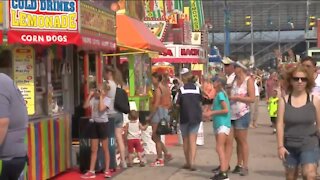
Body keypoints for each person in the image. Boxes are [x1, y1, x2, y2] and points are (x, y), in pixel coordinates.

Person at [277, 64, 320, 180]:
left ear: (308, 81)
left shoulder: (314, 100)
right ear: (290, 81)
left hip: (309, 143)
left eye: (303, 79)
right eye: (296, 79)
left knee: (309, 174)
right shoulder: (283, 101)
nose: (300, 82)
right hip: (289, 145)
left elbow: (319, 126)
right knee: (290, 177)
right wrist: (280, 146)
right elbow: (280, 125)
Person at [0, 51, 28, 180]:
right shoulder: (5, 81)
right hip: (14, 156)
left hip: (7, 158)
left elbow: (2, 122)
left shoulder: (1, 83)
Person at [229, 61, 255, 176]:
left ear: (241, 68)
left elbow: (252, 98)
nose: (234, 68)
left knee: (242, 140)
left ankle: (245, 166)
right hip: (232, 113)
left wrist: (238, 98)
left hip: (243, 113)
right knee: (236, 139)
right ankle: (238, 164)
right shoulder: (234, 80)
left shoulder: (248, 80)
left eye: (236, 67)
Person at [203, 75, 231, 180]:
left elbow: (226, 110)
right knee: (220, 148)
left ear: (219, 83)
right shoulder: (219, 94)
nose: (212, 83)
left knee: (219, 147)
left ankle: (224, 172)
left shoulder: (220, 95)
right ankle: (222, 170)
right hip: (219, 123)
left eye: (214, 81)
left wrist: (212, 112)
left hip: (222, 124)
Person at [81, 83, 112, 178]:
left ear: (104, 92)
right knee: (93, 149)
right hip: (94, 123)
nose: (97, 92)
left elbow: (101, 108)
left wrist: (102, 96)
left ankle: (107, 170)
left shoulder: (107, 100)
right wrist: (90, 95)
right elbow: (85, 106)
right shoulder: (94, 99)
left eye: (99, 90)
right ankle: (91, 170)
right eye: (97, 90)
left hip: (103, 124)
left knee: (105, 148)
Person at [176, 72, 202, 171]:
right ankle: (193, 162)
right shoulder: (197, 89)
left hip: (184, 116)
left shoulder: (181, 90)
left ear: (184, 79)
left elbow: (177, 104)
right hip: (196, 117)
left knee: (186, 140)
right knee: (193, 141)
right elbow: (200, 101)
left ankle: (187, 162)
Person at [104, 65, 127, 168]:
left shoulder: (108, 85)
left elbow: (106, 100)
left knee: (110, 139)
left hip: (110, 114)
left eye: (104, 73)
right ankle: (123, 161)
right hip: (119, 114)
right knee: (119, 138)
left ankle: (112, 161)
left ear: (108, 73)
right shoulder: (118, 84)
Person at [148, 72, 173, 167]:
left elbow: (156, 104)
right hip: (165, 112)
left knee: (155, 136)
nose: (151, 80)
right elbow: (170, 103)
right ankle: (166, 154)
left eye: (152, 78)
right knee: (156, 136)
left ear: (156, 79)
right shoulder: (166, 88)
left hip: (158, 113)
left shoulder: (158, 89)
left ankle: (160, 158)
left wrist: (150, 116)